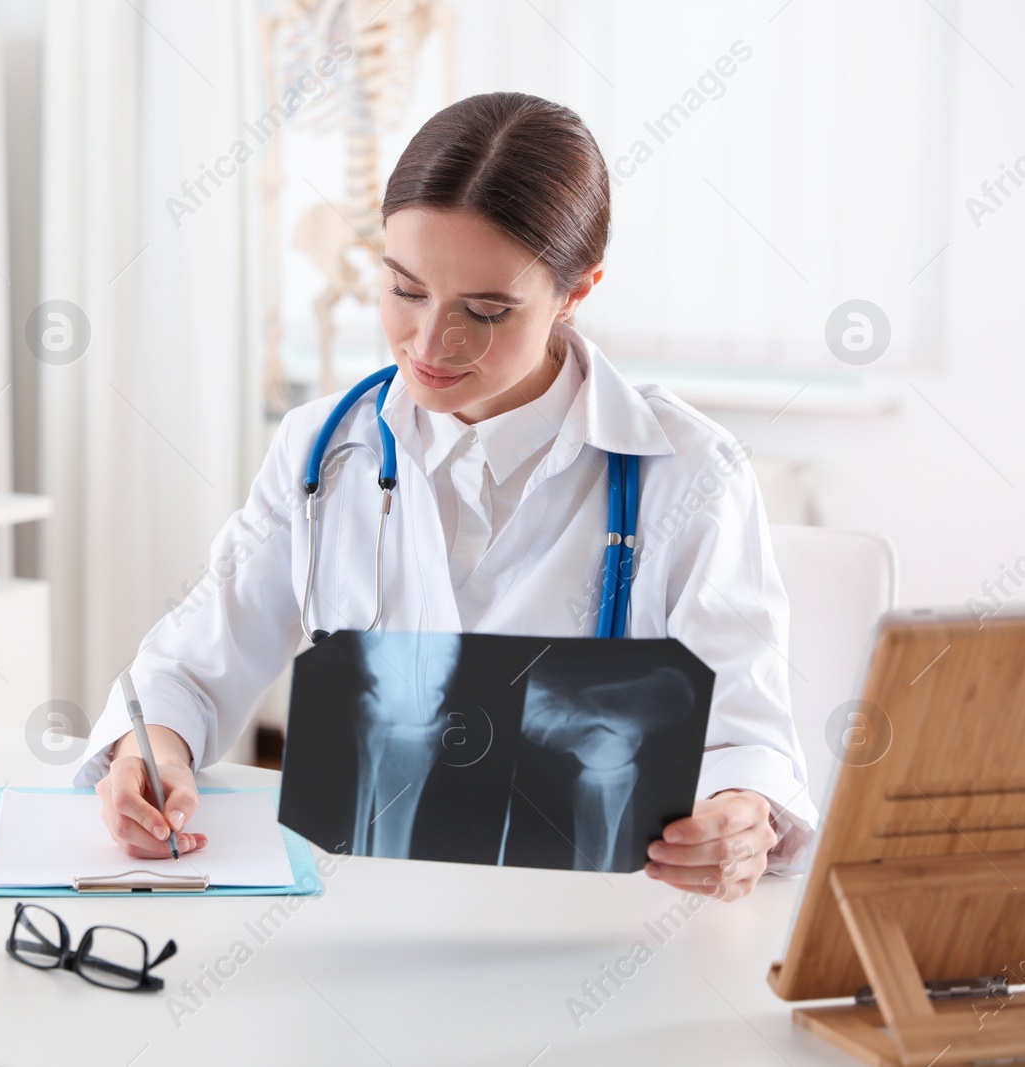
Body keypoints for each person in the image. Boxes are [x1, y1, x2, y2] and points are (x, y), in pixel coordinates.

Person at [75, 91, 815, 902]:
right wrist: (152, 748)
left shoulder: (690, 470)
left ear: (577, 291)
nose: (430, 344)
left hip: (592, 931)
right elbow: (191, 660)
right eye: (405, 289)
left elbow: (749, 737)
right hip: (365, 916)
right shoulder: (326, 450)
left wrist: (745, 813)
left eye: (487, 310)